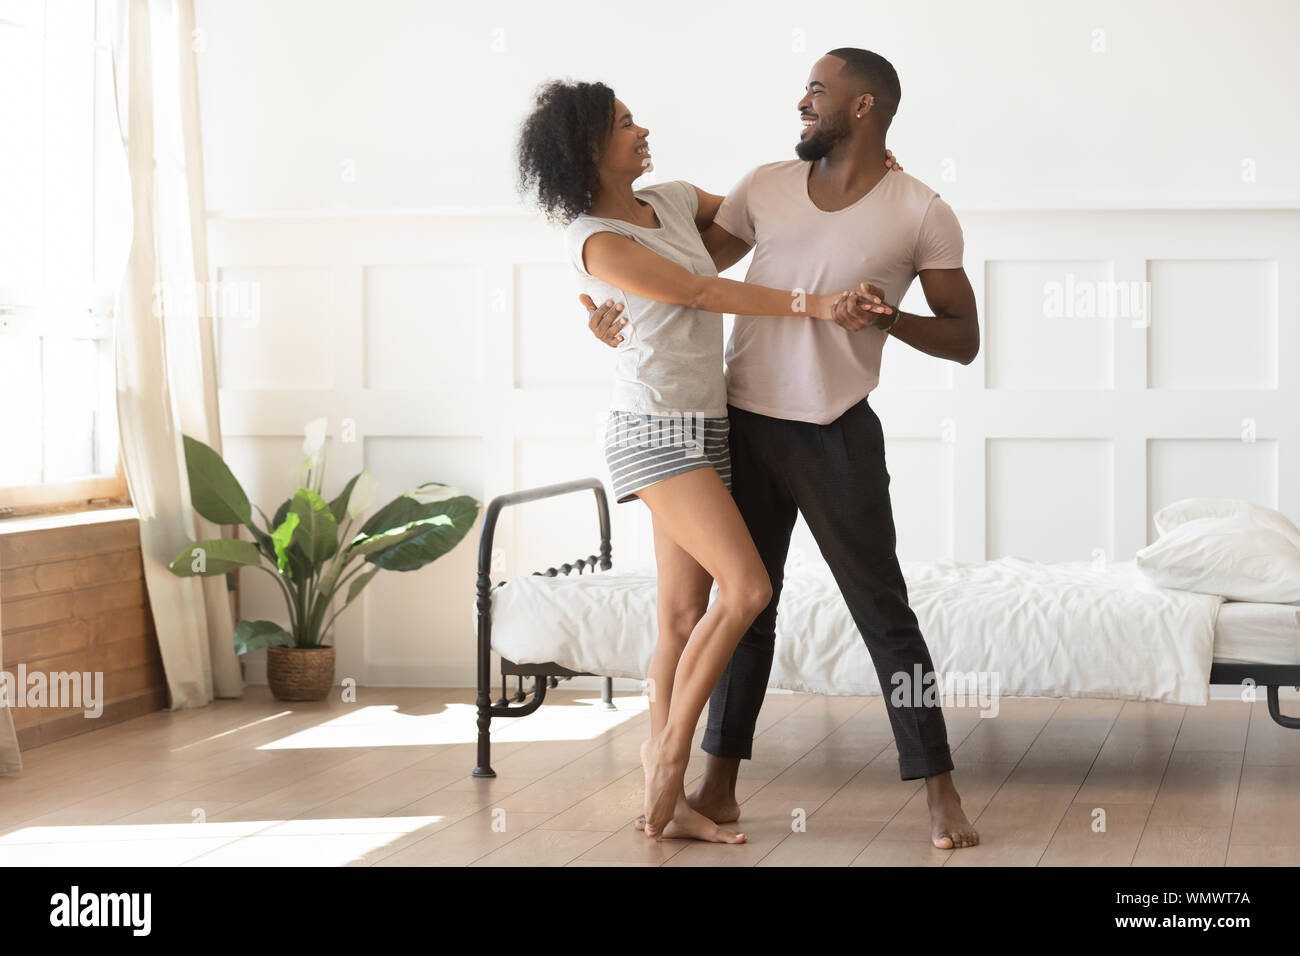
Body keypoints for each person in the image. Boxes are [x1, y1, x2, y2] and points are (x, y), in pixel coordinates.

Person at [584, 49, 983, 850]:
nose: (801, 101)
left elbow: (964, 339)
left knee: (884, 614)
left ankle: (940, 792)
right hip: (738, 424)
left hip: (837, 432)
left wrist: (887, 321)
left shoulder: (922, 211)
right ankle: (717, 785)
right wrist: (606, 309)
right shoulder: (763, 185)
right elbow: (697, 275)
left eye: (816, 91)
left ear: (864, 107)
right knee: (746, 611)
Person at [516, 78, 894, 843]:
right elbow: (692, 290)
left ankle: (677, 802)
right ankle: (664, 757)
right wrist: (814, 305)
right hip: (650, 432)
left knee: (684, 616)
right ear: (589, 148)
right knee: (748, 586)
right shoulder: (591, 237)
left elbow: (769, 217)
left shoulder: (675, 201)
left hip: (709, 425)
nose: (641, 128)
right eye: (625, 124)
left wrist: (865, 171)